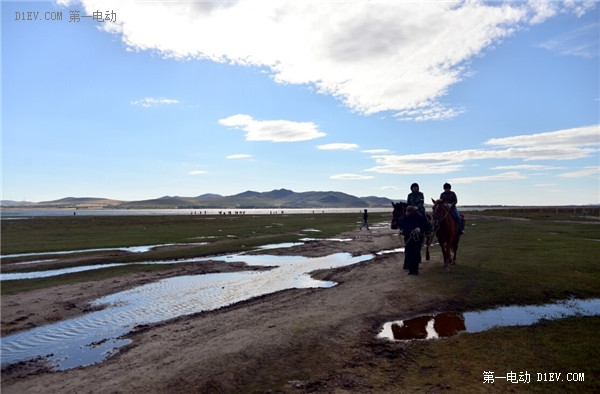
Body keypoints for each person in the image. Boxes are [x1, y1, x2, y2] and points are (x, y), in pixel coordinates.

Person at [400, 205, 428, 275]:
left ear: (413, 212)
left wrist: (420, 229)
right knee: (408, 254)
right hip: (408, 238)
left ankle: (415, 270)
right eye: (407, 211)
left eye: (410, 212)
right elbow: (401, 225)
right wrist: (401, 230)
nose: (408, 213)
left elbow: (425, 225)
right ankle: (410, 270)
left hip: (417, 239)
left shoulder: (420, 217)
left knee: (415, 254)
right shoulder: (405, 217)